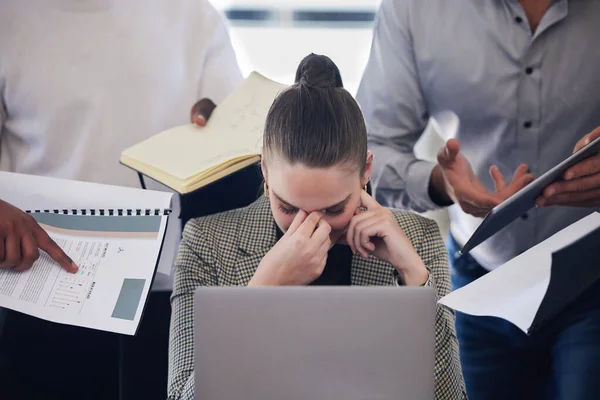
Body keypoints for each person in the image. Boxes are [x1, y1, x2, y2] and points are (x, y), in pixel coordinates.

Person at [168, 54, 466, 400]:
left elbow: (448, 396)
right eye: (288, 208)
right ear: (264, 172)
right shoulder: (207, 243)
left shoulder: (419, 240)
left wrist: (412, 274)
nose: (311, 228)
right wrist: (260, 293)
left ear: (365, 171)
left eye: (334, 209)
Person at [356, 0, 600, 399]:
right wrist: (439, 184)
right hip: (476, 285)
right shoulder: (416, 9)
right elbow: (367, 151)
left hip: (592, 282)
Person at [0, 1, 242, 398]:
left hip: (166, 296)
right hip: (37, 294)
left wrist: (223, 128)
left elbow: (237, 138)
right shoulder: (8, 19)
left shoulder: (193, 14)